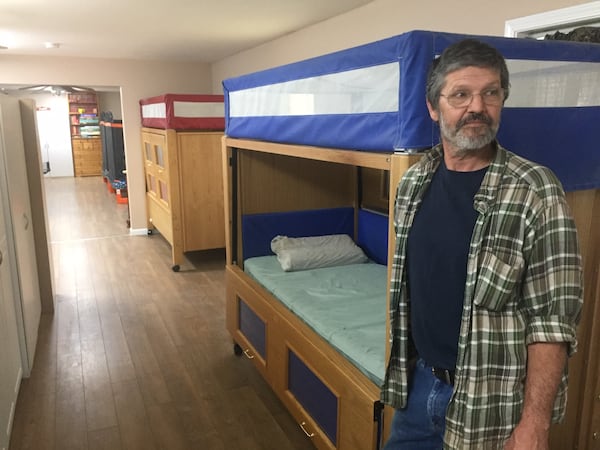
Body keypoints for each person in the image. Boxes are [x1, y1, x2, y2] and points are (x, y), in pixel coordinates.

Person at [380, 38, 583, 450]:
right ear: (434, 108)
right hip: (417, 391)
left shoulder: (535, 191)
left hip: (492, 408)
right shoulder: (413, 184)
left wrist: (535, 424)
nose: (477, 107)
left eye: (490, 93)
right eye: (460, 94)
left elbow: (553, 322)